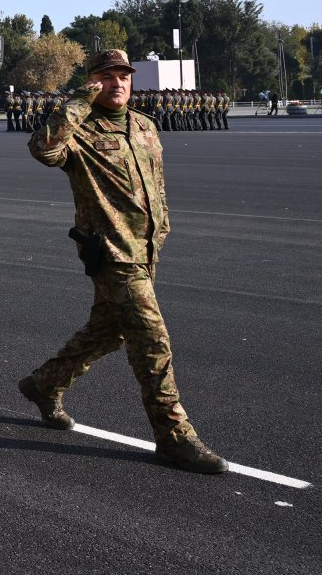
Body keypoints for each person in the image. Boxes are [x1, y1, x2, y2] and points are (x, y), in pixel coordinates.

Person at [19, 48, 227, 473]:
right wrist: (78, 102)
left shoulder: (146, 126)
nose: (118, 84)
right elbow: (42, 149)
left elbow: (157, 186)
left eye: (124, 76)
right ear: (92, 81)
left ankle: (44, 383)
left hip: (145, 249)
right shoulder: (79, 129)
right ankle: (173, 437)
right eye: (107, 77)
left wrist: (163, 228)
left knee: (110, 330)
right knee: (152, 341)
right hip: (112, 253)